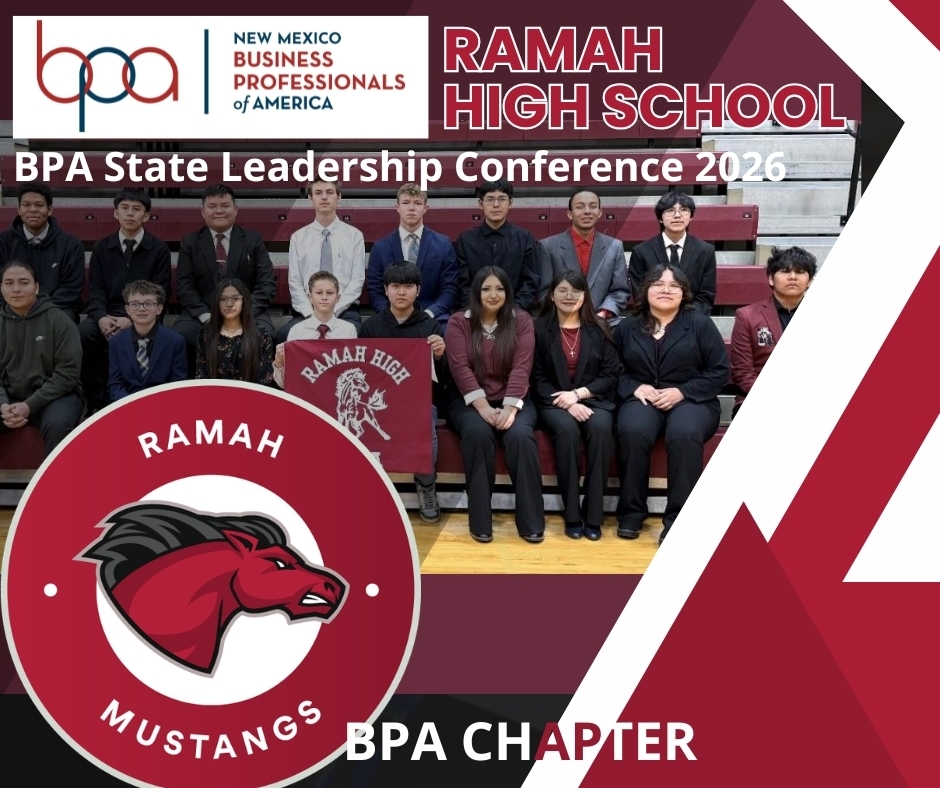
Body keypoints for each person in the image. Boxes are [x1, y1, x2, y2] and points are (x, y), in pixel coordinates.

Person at [614, 264, 729, 546]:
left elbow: (719, 370)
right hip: (643, 397)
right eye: (658, 284)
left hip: (693, 400)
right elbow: (611, 370)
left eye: (674, 285)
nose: (665, 289)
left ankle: (678, 520)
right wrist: (633, 386)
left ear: (683, 293)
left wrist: (683, 392)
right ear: (645, 289)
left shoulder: (700, 323)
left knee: (684, 434)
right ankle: (631, 513)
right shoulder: (627, 326)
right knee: (632, 430)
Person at [445, 266, 544, 543]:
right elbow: (460, 368)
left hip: (514, 396)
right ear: (476, 292)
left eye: (499, 288)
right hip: (468, 400)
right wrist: (484, 408)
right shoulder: (458, 322)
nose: (493, 294)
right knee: (478, 434)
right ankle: (480, 522)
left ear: (508, 292)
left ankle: (531, 522)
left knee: (521, 436)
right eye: (486, 288)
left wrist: (510, 408)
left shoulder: (522, 320)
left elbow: (522, 367)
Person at [532, 270, 620, 541]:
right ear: (552, 295)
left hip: (594, 399)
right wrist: (567, 403)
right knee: (567, 432)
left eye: (575, 291)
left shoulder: (600, 328)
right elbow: (535, 377)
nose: (569, 296)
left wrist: (579, 394)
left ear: (585, 297)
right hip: (552, 403)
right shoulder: (538, 328)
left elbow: (610, 374)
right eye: (562, 291)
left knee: (602, 430)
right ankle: (571, 513)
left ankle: (593, 515)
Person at [360, 262, 447, 523]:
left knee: (427, 432)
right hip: (378, 403)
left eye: (408, 286)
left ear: (418, 290)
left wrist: (440, 356)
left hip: (418, 403)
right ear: (385, 290)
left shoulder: (430, 329)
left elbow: (441, 381)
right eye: (395, 286)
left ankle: (426, 485)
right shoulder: (370, 328)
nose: (401, 292)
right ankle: (369, 491)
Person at [80, 189, 172, 410]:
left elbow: (160, 293)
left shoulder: (158, 249)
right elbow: (96, 291)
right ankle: (95, 401)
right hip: (107, 313)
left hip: (143, 315)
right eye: (125, 208)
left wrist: (132, 320)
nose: (130, 213)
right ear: (115, 213)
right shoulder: (102, 247)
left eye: (137, 209)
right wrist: (101, 318)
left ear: (146, 216)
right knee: (83, 334)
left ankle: (148, 399)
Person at [174, 184, 276, 370]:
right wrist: (207, 317)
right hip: (203, 312)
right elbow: (185, 286)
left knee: (265, 333)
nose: (219, 210)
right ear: (203, 212)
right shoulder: (190, 242)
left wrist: (242, 314)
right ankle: (192, 391)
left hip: (247, 311)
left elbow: (266, 283)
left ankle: (255, 391)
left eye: (225, 205)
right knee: (181, 335)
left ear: (235, 209)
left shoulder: (253, 240)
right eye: (212, 206)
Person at [0, 261, 83, 457]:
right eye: (9, 283)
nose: (16, 289)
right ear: (1, 288)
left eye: (24, 282)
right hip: (9, 397)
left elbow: (67, 374)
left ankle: (57, 486)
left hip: (55, 397)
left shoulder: (60, 321)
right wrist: (3, 404)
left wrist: (29, 405)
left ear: (36, 287)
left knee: (58, 425)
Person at [276, 178, 365, 343]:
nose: (324, 197)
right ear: (310, 199)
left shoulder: (354, 236)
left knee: (358, 334)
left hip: (344, 311)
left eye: (330, 192)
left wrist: (332, 310)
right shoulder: (298, 238)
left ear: (339, 197)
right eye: (318, 193)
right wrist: (313, 315)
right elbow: (294, 282)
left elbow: (357, 281)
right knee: (284, 336)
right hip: (307, 311)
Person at [730, 246, 817, 415]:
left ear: (810, 280)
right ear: (771, 278)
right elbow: (743, 372)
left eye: (800, 272)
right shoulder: (747, 316)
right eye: (785, 271)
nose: (792, 277)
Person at [367, 183, 458, 328]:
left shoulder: (443, 244)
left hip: (432, 315)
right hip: (391, 317)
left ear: (425, 208)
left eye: (417, 203)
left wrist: (429, 313)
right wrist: (391, 315)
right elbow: (375, 291)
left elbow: (449, 289)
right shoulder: (380, 247)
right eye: (405, 202)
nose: (411, 208)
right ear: (397, 207)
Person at [538, 189, 630, 324]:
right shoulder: (548, 246)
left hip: (603, 322)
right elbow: (545, 292)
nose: (587, 211)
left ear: (599, 213)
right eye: (580, 207)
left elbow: (620, 291)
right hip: (561, 321)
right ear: (570, 214)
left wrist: (602, 314)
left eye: (592, 206)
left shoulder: (614, 247)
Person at [0, 182, 85, 322]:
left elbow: (70, 289)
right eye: (26, 205)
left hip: (57, 309)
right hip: (11, 308)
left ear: (49, 209)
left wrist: (39, 310)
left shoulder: (71, 245)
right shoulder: (3, 242)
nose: (32, 210)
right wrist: (18, 308)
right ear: (19, 209)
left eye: (39, 205)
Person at [455, 180, 540, 310]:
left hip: (515, 312)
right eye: (490, 199)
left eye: (502, 199)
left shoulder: (525, 238)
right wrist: (478, 311)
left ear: (510, 203)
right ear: (480, 204)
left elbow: (530, 282)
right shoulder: (465, 240)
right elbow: (462, 283)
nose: (496, 205)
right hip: (475, 312)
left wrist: (513, 309)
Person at [628, 191, 717, 314]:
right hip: (652, 320)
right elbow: (640, 295)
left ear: (691, 216)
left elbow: (706, 297)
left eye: (684, 210)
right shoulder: (641, 251)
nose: (677, 215)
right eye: (670, 210)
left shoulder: (705, 251)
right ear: (660, 218)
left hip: (692, 320)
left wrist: (685, 321)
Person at [273, 271, 358, 389]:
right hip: (306, 396)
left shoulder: (348, 330)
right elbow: (284, 384)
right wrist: (279, 363)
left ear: (337, 298)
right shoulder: (297, 331)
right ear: (310, 297)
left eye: (329, 293)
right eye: (319, 293)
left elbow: (351, 373)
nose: (324, 297)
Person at [108, 280, 186, 402]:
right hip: (127, 407)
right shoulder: (116, 342)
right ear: (127, 309)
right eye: (135, 304)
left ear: (159, 309)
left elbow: (177, 384)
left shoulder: (175, 341)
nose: (141, 309)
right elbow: (115, 384)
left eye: (148, 304)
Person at [196, 278, 275, 386]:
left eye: (235, 299)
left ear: (244, 301)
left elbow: (265, 379)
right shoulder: (206, 333)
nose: (229, 304)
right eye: (223, 299)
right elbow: (201, 376)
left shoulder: (261, 334)